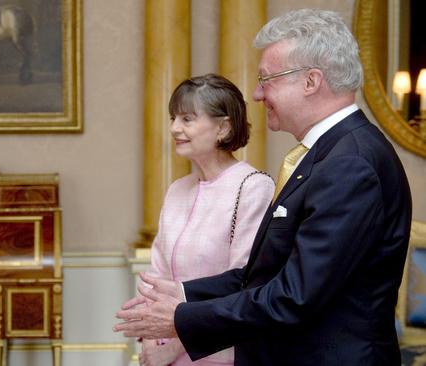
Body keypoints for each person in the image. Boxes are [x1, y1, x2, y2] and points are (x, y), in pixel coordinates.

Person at [114, 9, 412, 366]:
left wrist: (181, 318)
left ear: (310, 81)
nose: (256, 94)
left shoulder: (350, 164)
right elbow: (267, 275)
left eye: (266, 79)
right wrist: (184, 293)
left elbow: (295, 296)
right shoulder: (327, 154)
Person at [139, 74, 274, 366]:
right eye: (173, 118)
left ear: (223, 127)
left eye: (187, 119)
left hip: (221, 354)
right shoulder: (176, 190)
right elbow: (156, 277)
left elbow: (242, 284)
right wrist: (152, 343)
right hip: (164, 352)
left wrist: (174, 347)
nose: (175, 128)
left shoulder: (253, 187)